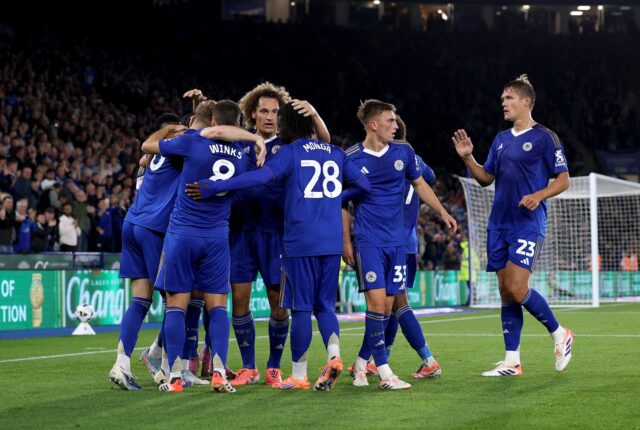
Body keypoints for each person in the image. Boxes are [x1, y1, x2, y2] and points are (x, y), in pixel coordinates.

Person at [186, 101, 370, 391]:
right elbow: (364, 186)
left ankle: (298, 376)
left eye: (280, 119)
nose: (275, 122)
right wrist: (334, 197)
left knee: (300, 309)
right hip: (329, 241)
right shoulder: (335, 152)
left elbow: (261, 176)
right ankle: (333, 355)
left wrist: (217, 186)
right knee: (324, 307)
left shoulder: (290, 152)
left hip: (298, 239)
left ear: (288, 125)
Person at [452, 74, 574, 376]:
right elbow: (485, 179)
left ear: (526, 101)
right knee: (506, 291)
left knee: (518, 287)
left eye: (509, 98)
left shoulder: (545, 137)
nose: (503, 103)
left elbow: (563, 180)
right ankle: (512, 360)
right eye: (502, 99)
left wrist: (538, 195)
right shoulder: (501, 139)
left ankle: (560, 334)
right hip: (499, 224)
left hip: (527, 223)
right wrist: (468, 158)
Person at [141, 100, 265, 394]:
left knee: (176, 306)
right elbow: (252, 177)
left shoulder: (192, 141)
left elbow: (147, 147)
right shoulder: (242, 152)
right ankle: (219, 373)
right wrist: (256, 139)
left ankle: (174, 377)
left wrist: (169, 129)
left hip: (182, 234)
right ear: (238, 124)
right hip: (217, 237)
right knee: (218, 306)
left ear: (212, 121)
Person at [218, 82, 331, 386]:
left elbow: (325, 142)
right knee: (239, 300)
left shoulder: (289, 145)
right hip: (241, 233)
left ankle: (273, 367)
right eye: (264, 111)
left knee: (278, 304)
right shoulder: (239, 142)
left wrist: (314, 114)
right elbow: (209, 133)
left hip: (278, 234)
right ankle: (248, 367)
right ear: (252, 113)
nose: (269, 116)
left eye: (275, 112)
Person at [342, 100, 457, 390]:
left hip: (398, 244)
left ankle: (361, 364)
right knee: (377, 304)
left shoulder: (403, 152)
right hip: (369, 241)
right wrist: (345, 242)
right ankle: (384, 373)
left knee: (386, 308)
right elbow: (342, 204)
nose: (396, 125)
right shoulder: (350, 158)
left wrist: (442, 212)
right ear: (373, 125)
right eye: (390, 120)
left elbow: (421, 183)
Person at [377, 116, 443, 380]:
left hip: (393, 240)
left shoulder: (387, 159)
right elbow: (432, 176)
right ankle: (381, 357)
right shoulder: (413, 160)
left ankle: (428, 360)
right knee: (394, 302)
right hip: (409, 243)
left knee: (397, 303)